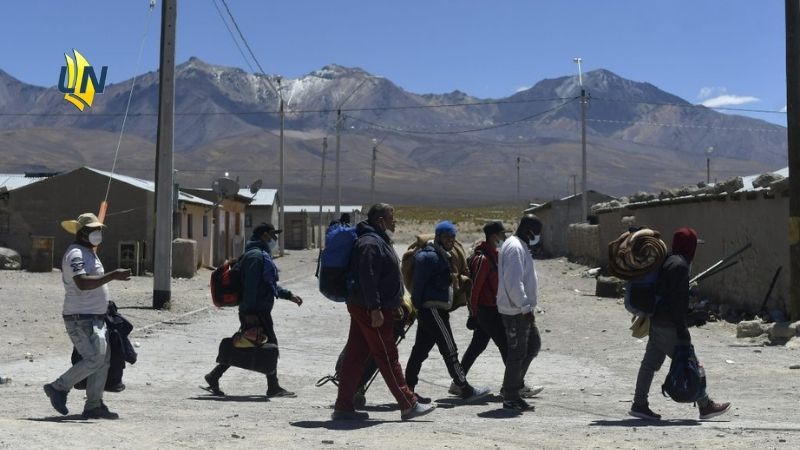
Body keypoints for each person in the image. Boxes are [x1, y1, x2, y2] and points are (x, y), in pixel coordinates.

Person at [333, 203, 435, 421]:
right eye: (391, 218)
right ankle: (408, 403)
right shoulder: (370, 243)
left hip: (366, 306)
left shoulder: (376, 240)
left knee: (356, 355)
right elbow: (367, 278)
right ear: (380, 221)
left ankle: (343, 406)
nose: (394, 222)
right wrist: (375, 308)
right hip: (370, 309)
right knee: (387, 355)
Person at [629, 227, 731, 421]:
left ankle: (639, 404)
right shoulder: (681, 266)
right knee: (690, 361)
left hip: (658, 320)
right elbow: (676, 302)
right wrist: (684, 328)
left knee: (649, 364)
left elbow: (668, 297)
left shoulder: (667, 260)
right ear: (689, 246)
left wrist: (691, 315)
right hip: (670, 325)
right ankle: (705, 405)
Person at [44, 213, 131, 419]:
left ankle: (94, 405)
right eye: (93, 230)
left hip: (96, 317)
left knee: (103, 361)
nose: (97, 233)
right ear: (81, 232)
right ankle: (58, 387)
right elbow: (82, 283)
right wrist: (113, 275)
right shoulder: (75, 254)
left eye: (98, 230)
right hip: (80, 318)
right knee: (94, 359)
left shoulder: (89, 252)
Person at [204, 223, 303, 398]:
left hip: (256, 309)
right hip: (255, 311)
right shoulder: (256, 257)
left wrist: (288, 295)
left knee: (245, 344)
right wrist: (249, 312)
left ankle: (214, 376)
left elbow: (267, 285)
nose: (274, 239)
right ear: (264, 235)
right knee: (269, 344)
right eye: (272, 235)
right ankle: (273, 387)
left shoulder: (258, 255)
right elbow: (250, 287)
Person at [453, 221, 544, 399]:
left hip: (493, 310)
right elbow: (475, 288)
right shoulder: (484, 259)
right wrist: (473, 313)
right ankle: (515, 386)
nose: (505, 236)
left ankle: (458, 382)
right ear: (495, 235)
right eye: (502, 233)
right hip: (487, 312)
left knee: (477, 346)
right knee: (509, 349)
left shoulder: (496, 254)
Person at [405, 220, 491, 403]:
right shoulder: (428, 257)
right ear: (438, 237)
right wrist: (418, 306)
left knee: (419, 351)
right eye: (446, 237)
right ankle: (465, 389)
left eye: (452, 237)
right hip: (433, 310)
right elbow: (418, 284)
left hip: (432, 311)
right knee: (449, 349)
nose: (450, 240)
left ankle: (408, 390)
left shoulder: (442, 255)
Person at [496, 214, 543, 411]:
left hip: (521, 309)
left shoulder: (519, 245)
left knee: (532, 345)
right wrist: (524, 307)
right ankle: (510, 396)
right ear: (529, 231)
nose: (538, 239)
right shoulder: (515, 247)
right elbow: (514, 282)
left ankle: (512, 387)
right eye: (537, 234)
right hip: (516, 311)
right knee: (517, 352)